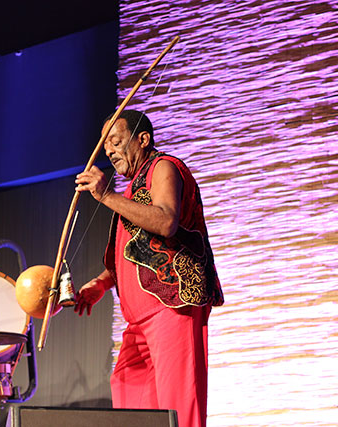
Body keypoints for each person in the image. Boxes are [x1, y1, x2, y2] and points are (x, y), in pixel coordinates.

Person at [74, 110, 223, 427]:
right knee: (130, 393)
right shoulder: (130, 191)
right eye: (106, 147)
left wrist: (105, 196)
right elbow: (138, 253)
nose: (110, 152)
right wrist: (101, 284)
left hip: (172, 305)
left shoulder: (163, 167)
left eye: (115, 141)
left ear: (143, 139)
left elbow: (166, 221)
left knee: (179, 408)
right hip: (138, 320)